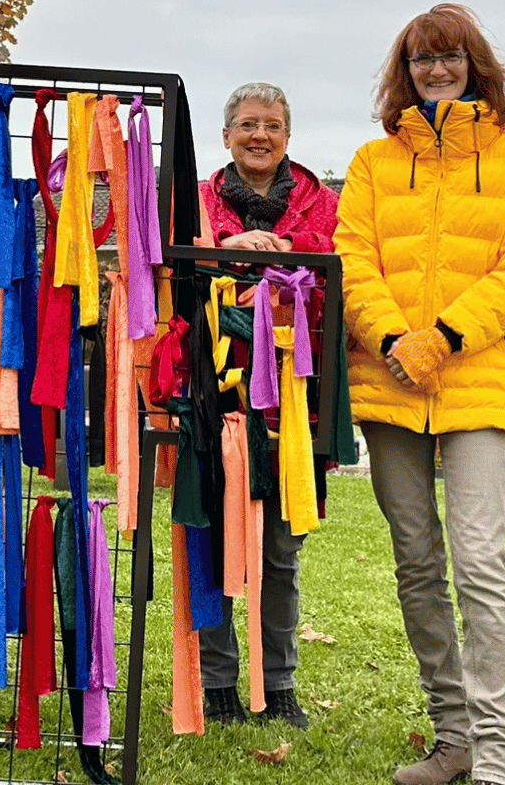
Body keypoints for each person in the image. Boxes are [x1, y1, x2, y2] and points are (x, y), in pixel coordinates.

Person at [333, 3, 505, 785]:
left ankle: (497, 756)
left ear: (475, 66)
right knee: (417, 561)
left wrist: (445, 338)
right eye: (423, 59)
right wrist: (397, 340)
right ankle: (452, 735)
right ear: (406, 69)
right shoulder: (370, 162)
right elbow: (351, 260)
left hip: (482, 384)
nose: (436, 70)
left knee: (479, 562)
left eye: (450, 57)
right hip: (389, 383)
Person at [193, 80, 339, 729]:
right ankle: (219, 680)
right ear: (226, 136)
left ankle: (278, 683)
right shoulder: (192, 203)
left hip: (294, 406)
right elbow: (166, 276)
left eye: (272, 126)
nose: (259, 136)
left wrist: (290, 254)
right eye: (247, 125)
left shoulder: (324, 205)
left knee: (281, 551)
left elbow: (348, 270)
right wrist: (223, 253)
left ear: (287, 137)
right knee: (215, 540)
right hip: (213, 394)